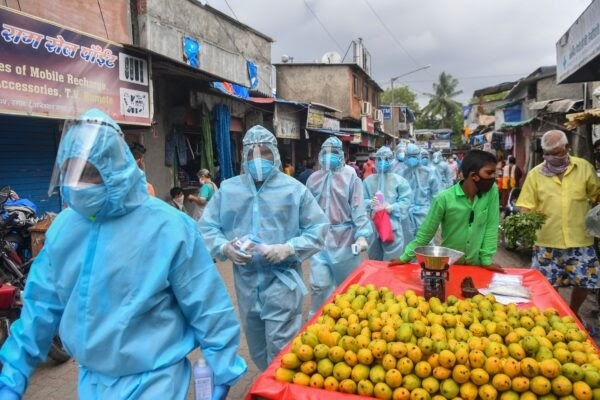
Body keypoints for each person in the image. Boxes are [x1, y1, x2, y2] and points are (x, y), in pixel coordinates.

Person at [0, 109, 246, 399]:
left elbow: (207, 303)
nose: (77, 184)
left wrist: (224, 364)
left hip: (155, 381)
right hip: (91, 381)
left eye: (89, 173)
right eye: (70, 171)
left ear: (114, 167)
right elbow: (40, 306)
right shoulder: (64, 229)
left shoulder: (169, 227)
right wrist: (12, 373)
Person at [199, 125, 328, 371]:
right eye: (252, 154)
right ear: (244, 156)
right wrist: (225, 248)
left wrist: (288, 248)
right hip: (246, 285)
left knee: (281, 351)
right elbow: (206, 228)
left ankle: (276, 391)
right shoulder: (229, 189)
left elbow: (318, 228)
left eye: (265, 152)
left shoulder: (294, 190)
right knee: (257, 348)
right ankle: (267, 384)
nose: (259, 159)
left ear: (276, 155)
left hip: (281, 282)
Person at [516, 130, 600, 315]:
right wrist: (526, 221)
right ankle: (554, 313)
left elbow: (596, 194)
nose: (553, 158)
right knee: (548, 284)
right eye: (548, 154)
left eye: (558, 153)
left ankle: (573, 312)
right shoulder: (535, 175)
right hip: (547, 241)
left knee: (585, 281)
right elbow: (525, 205)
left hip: (580, 239)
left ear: (567, 148)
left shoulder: (584, 168)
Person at [390, 149, 503, 272]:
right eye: (489, 173)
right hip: (449, 265)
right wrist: (405, 257)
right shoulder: (443, 199)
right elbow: (426, 233)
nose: (494, 177)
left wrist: (486, 260)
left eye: (494, 173)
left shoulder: (492, 192)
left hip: (477, 265)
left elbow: (491, 226)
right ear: (474, 176)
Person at [306, 137, 372, 318]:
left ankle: (348, 320)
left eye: (333, 153)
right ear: (320, 155)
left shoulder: (351, 177)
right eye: (325, 153)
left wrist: (362, 234)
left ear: (341, 155)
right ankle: (318, 319)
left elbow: (357, 207)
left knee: (348, 286)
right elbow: (305, 210)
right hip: (320, 238)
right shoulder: (313, 179)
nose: (329, 157)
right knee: (320, 285)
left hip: (345, 239)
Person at [363, 146, 412, 261]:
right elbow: (360, 200)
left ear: (391, 160)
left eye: (386, 159)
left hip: (392, 225)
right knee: (374, 260)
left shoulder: (399, 181)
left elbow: (405, 201)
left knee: (391, 261)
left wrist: (393, 207)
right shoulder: (368, 181)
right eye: (379, 159)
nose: (382, 162)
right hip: (373, 225)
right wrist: (370, 202)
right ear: (375, 160)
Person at [401, 143, 442, 245]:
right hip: (406, 213)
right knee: (408, 242)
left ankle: (427, 261)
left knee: (426, 242)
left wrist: (434, 214)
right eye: (409, 156)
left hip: (424, 212)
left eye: (414, 156)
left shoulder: (430, 172)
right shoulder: (403, 173)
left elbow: (436, 195)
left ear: (419, 156)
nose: (411, 159)